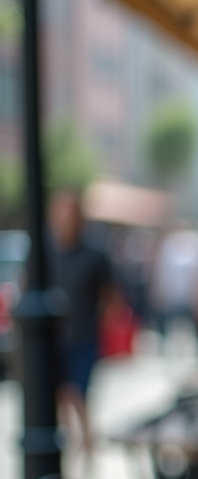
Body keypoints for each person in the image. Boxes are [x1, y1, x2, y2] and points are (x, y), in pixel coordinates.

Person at [49, 187, 115, 452]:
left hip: (84, 335)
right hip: (55, 337)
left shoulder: (95, 255)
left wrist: (100, 325)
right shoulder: (45, 252)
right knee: (60, 396)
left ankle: (87, 447)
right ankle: (70, 446)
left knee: (79, 396)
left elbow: (111, 297)